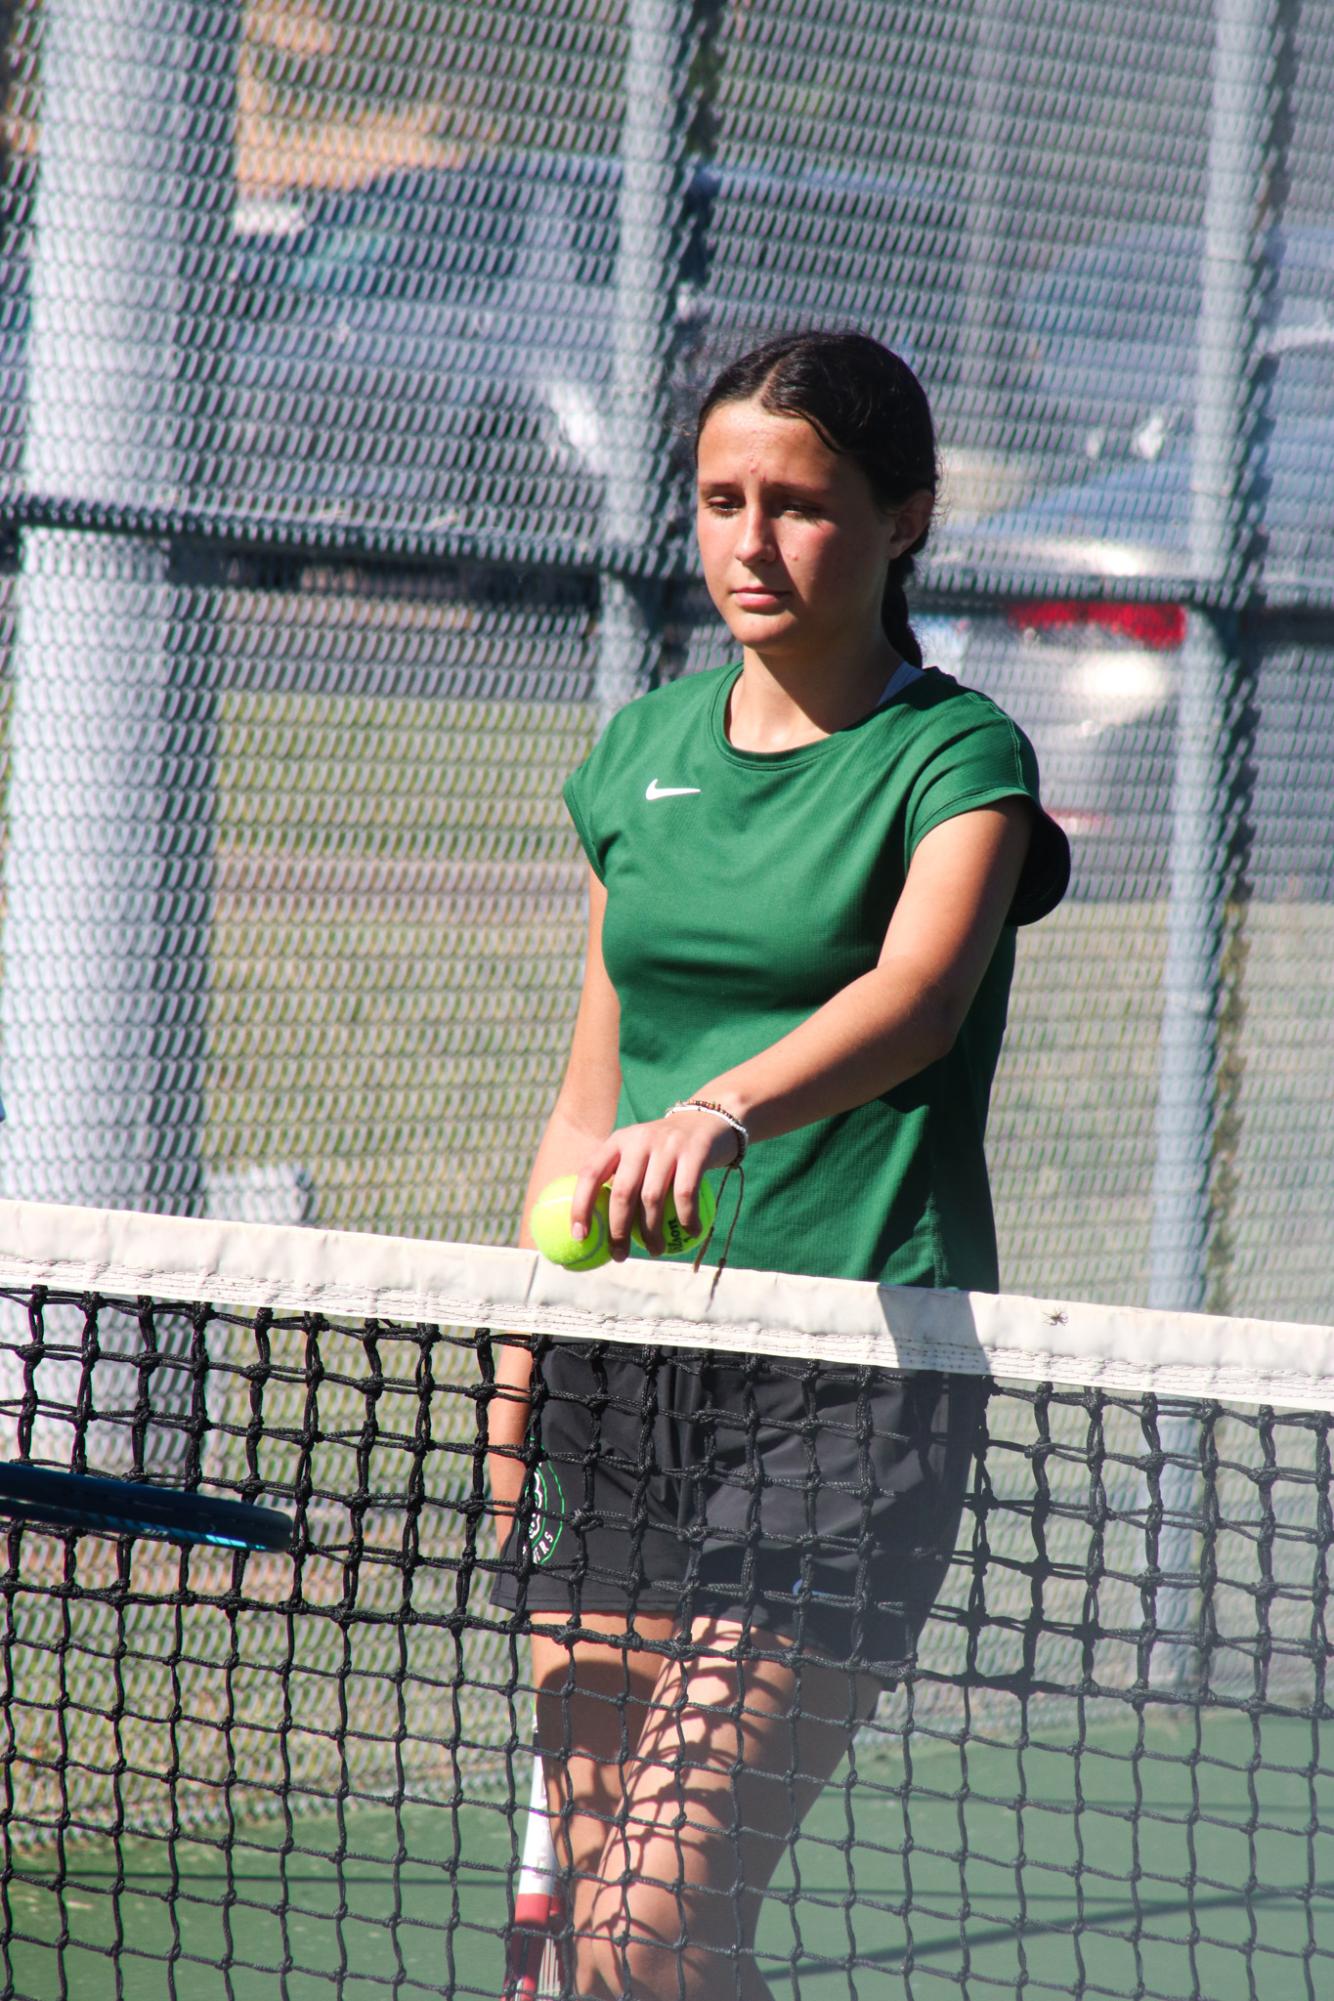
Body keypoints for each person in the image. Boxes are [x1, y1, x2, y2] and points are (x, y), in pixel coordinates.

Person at [488, 328, 1069, 2001]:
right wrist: (524, 1338)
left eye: (801, 506)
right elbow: (593, 1083)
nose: (751, 541)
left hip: (848, 1384)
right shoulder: (636, 760)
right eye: (720, 498)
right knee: (630, 1947)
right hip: (623, 1374)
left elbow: (916, 994)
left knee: (643, 1925)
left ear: (903, 517)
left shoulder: (955, 759)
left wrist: (726, 1111)